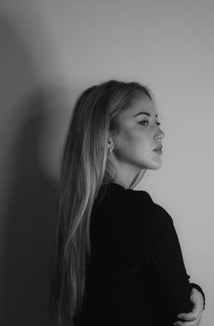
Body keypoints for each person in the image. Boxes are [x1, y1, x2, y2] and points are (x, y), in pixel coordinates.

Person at [49, 80, 205, 326]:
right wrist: (197, 294)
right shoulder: (142, 215)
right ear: (107, 138)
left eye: (157, 122)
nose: (160, 132)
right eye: (144, 122)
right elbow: (182, 312)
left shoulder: (79, 210)